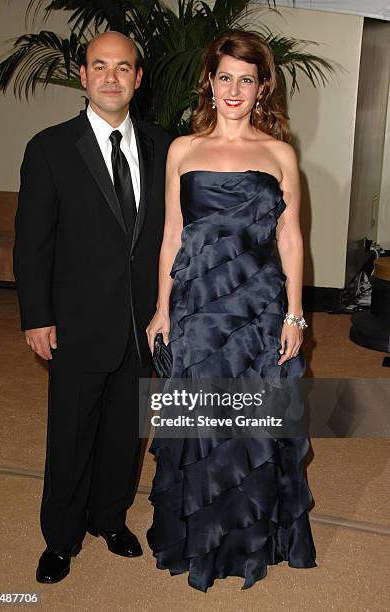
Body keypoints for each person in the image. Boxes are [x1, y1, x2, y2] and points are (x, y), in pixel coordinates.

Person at [146, 30, 317, 592]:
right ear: (211, 84)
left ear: (262, 87)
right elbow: (172, 235)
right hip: (197, 306)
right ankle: (200, 539)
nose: (235, 89)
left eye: (247, 79)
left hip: (261, 306)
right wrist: (160, 310)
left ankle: (250, 542)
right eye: (225, 77)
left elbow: (291, 237)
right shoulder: (183, 150)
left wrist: (295, 313)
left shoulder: (279, 153)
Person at [14, 31, 172, 583]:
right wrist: (36, 315)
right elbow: (32, 242)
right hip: (77, 322)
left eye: (123, 67)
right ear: (83, 76)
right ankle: (60, 538)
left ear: (137, 77)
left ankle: (109, 519)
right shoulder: (50, 148)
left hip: (145, 322)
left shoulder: (162, 144)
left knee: (125, 432)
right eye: (100, 66)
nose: (111, 77)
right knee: (72, 434)